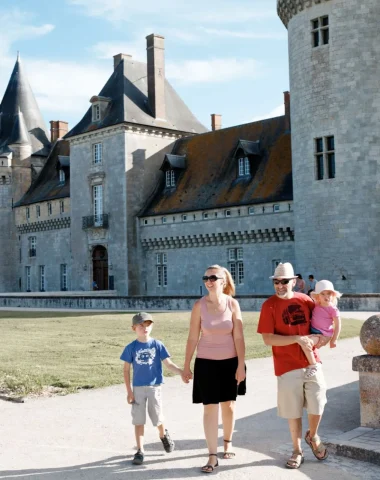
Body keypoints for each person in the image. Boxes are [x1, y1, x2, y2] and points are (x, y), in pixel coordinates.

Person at [257, 262, 328, 470]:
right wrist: (297, 339)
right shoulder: (268, 305)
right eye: (276, 281)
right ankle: (297, 451)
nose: (280, 285)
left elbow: (321, 324)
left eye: (284, 281)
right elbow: (268, 339)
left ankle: (313, 435)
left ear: (294, 282)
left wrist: (322, 337)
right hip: (287, 366)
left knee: (318, 402)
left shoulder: (305, 300)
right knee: (293, 411)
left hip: (312, 361)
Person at [183, 265, 246, 473]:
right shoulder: (198, 306)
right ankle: (212, 455)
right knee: (209, 408)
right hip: (206, 362)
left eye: (213, 277)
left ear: (223, 281)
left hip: (230, 361)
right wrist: (186, 366)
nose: (209, 281)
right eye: (206, 277)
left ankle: (227, 442)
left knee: (228, 406)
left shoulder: (233, 304)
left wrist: (241, 365)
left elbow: (239, 337)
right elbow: (193, 337)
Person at [120, 312, 185, 465]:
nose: (145, 328)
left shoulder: (157, 344)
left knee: (157, 416)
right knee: (139, 420)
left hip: (154, 386)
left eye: (148, 325)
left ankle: (163, 435)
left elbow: (168, 364)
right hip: (138, 388)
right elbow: (126, 370)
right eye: (141, 326)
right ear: (133, 328)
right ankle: (140, 451)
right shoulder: (131, 347)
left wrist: (182, 372)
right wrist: (129, 392)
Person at [302, 280, 342, 378]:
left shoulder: (333, 309)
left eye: (329, 294)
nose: (326, 296)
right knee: (299, 340)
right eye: (322, 294)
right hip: (314, 332)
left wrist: (334, 339)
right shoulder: (316, 305)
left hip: (324, 334)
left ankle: (314, 365)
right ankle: (308, 362)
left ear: (332, 295)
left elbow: (338, 325)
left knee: (306, 344)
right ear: (317, 296)